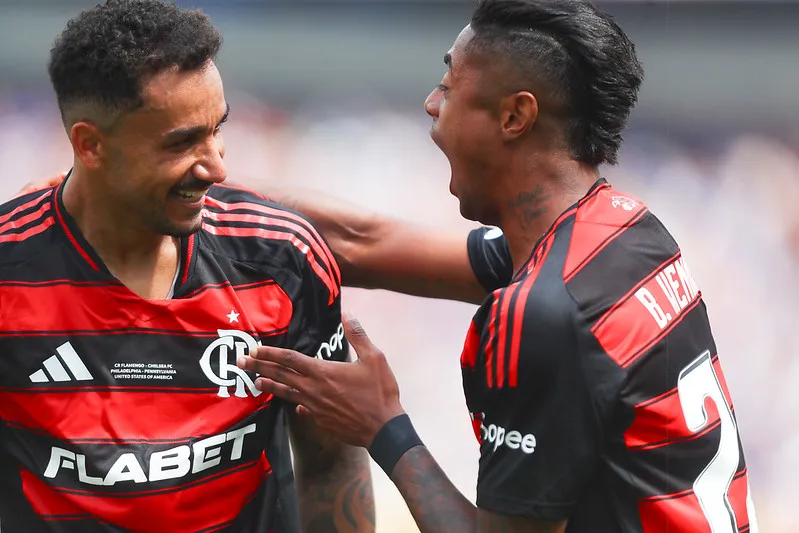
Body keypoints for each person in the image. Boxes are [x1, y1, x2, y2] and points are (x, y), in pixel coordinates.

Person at [234, 1, 760, 532]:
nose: (429, 104)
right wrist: (203, 186)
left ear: (515, 116)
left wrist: (384, 426)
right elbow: (363, 242)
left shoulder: (544, 313)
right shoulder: (627, 232)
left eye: (448, 86)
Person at [0, 1, 373, 532]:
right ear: (90, 145)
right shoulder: (9, 270)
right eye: (181, 142)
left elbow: (331, 456)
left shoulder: (284, 261)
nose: (217, 165)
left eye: (216, 128)